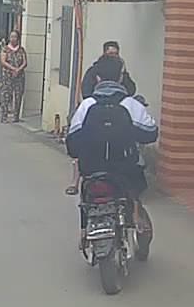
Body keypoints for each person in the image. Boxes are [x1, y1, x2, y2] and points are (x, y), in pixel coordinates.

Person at [65, 79, 159, 249]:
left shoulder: (87, 104)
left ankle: (84, 231)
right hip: (124, 167)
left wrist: (79, 153)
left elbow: (72, 139)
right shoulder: (131, 104)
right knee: (134, 188)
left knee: (87, 197)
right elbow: (150, 132)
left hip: (92, 167)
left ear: (98, 81)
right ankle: (136, 216)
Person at [67, 46, 136, 194]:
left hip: (114, 162)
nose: (113, 56)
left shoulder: (126, 97)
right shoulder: (91, 97)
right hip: (97, 160)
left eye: (116, 53)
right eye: (110, 53)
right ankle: (75, 181)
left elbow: (132, 89)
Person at [0, 30, 28, 123]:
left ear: (18, 38)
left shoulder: (21, 50)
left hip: (19, 76)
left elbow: (25, 62)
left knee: (18, 95)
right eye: (11, 36)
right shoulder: (5, 49)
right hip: (8, 76)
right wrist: (13, 69)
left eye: (15, 37)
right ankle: (4, 116)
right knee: (6, 95)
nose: (13, 39)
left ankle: (16, 116)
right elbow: (3, 61)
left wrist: (18, 69)